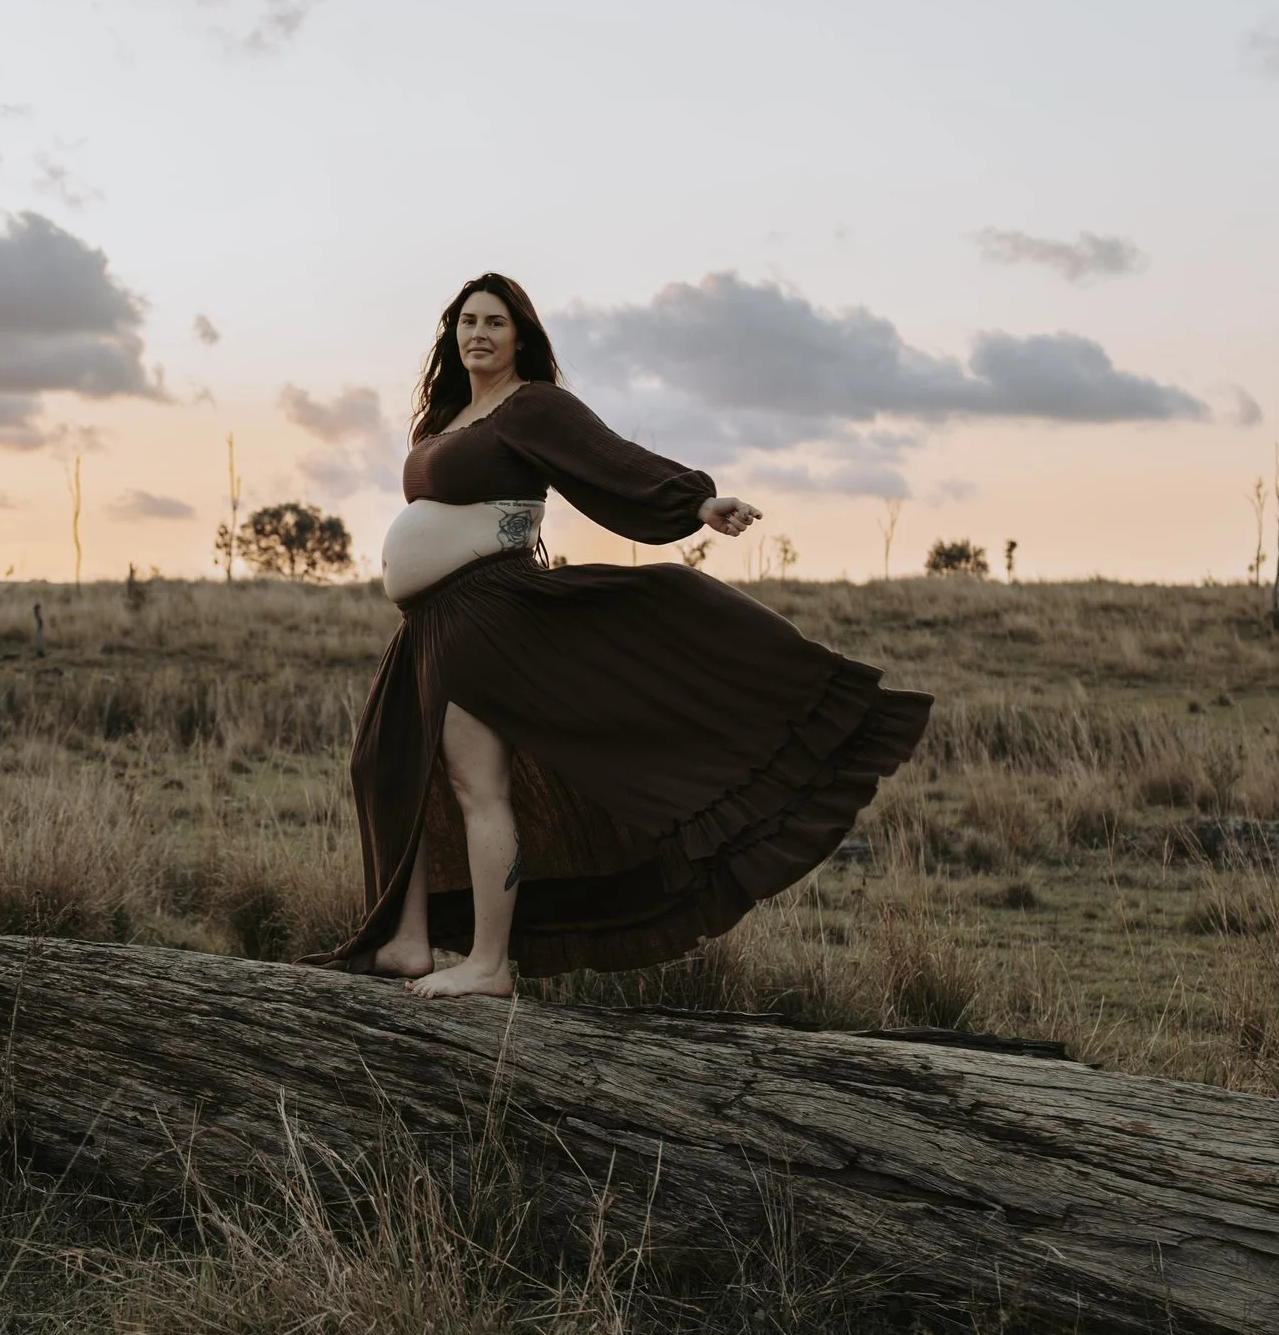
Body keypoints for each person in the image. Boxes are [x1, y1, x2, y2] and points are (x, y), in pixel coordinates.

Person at [304, 272, 932, 998]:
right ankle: (407, 939)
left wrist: (696, 500)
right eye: (467, 322)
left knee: (480, 787)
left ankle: (489, 962)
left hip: (484, 615)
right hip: (429, 624)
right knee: (384, 762)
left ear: (521, 337)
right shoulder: (445, 416)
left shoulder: (531, 404)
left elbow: (608, 459)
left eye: (495, 323)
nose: (478, 333)